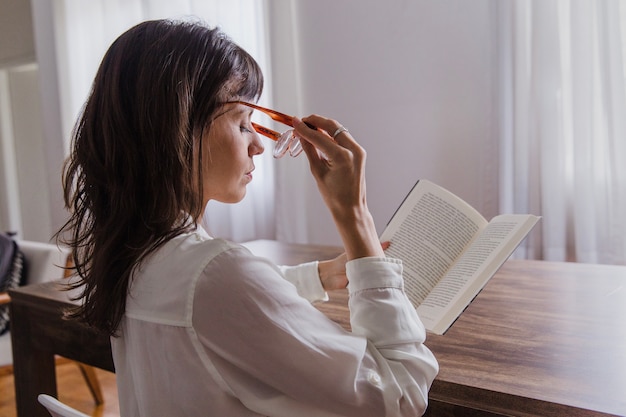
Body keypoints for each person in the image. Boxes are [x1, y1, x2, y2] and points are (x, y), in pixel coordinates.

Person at [56, 19, 438, 417]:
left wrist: (320, 276)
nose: (257, 144)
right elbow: (400, 395)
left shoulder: (136, 255)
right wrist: (355, 217)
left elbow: (220, 306)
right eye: (242, 123)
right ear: (177, 129)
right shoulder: (212, 276)